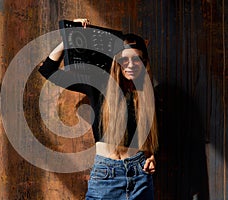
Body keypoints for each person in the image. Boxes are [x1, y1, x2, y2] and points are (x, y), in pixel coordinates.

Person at [38, 18, 158, 199]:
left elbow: (147, 136)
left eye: (137, 59)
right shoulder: (99, 84)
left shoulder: (147, 95)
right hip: (107, 176)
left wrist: (151, 156)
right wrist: (69, 37)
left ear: (144, 61)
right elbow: (48, 70)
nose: (131, 65)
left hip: (140, 175)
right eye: (125, 60)